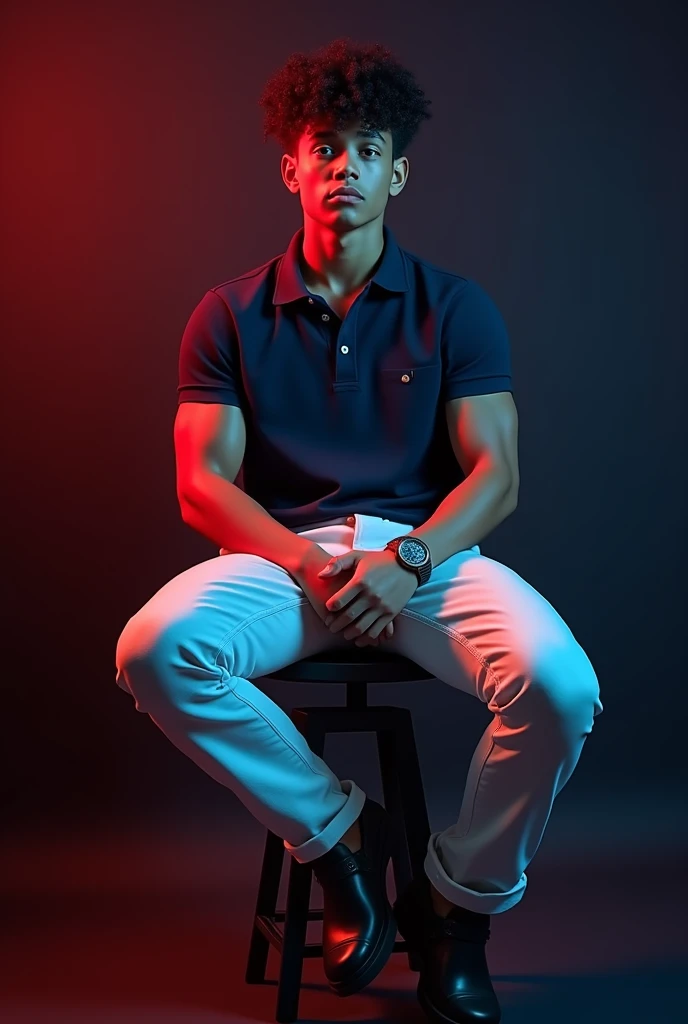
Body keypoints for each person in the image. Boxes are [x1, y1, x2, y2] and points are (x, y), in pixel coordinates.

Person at [115, 37, 604, 1024]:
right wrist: (306, 559)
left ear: (398, 170)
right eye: (324, 147)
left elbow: (494, 475)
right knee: (154, 650)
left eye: (366, 149)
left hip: (424, 554)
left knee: (560, 688)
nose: (345, 167)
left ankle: (454, 906)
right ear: (292, 166)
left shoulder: (454, 308)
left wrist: (407, 556)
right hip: (278, 555)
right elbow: (203, 485)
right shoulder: (228, 313)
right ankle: (340, 833)